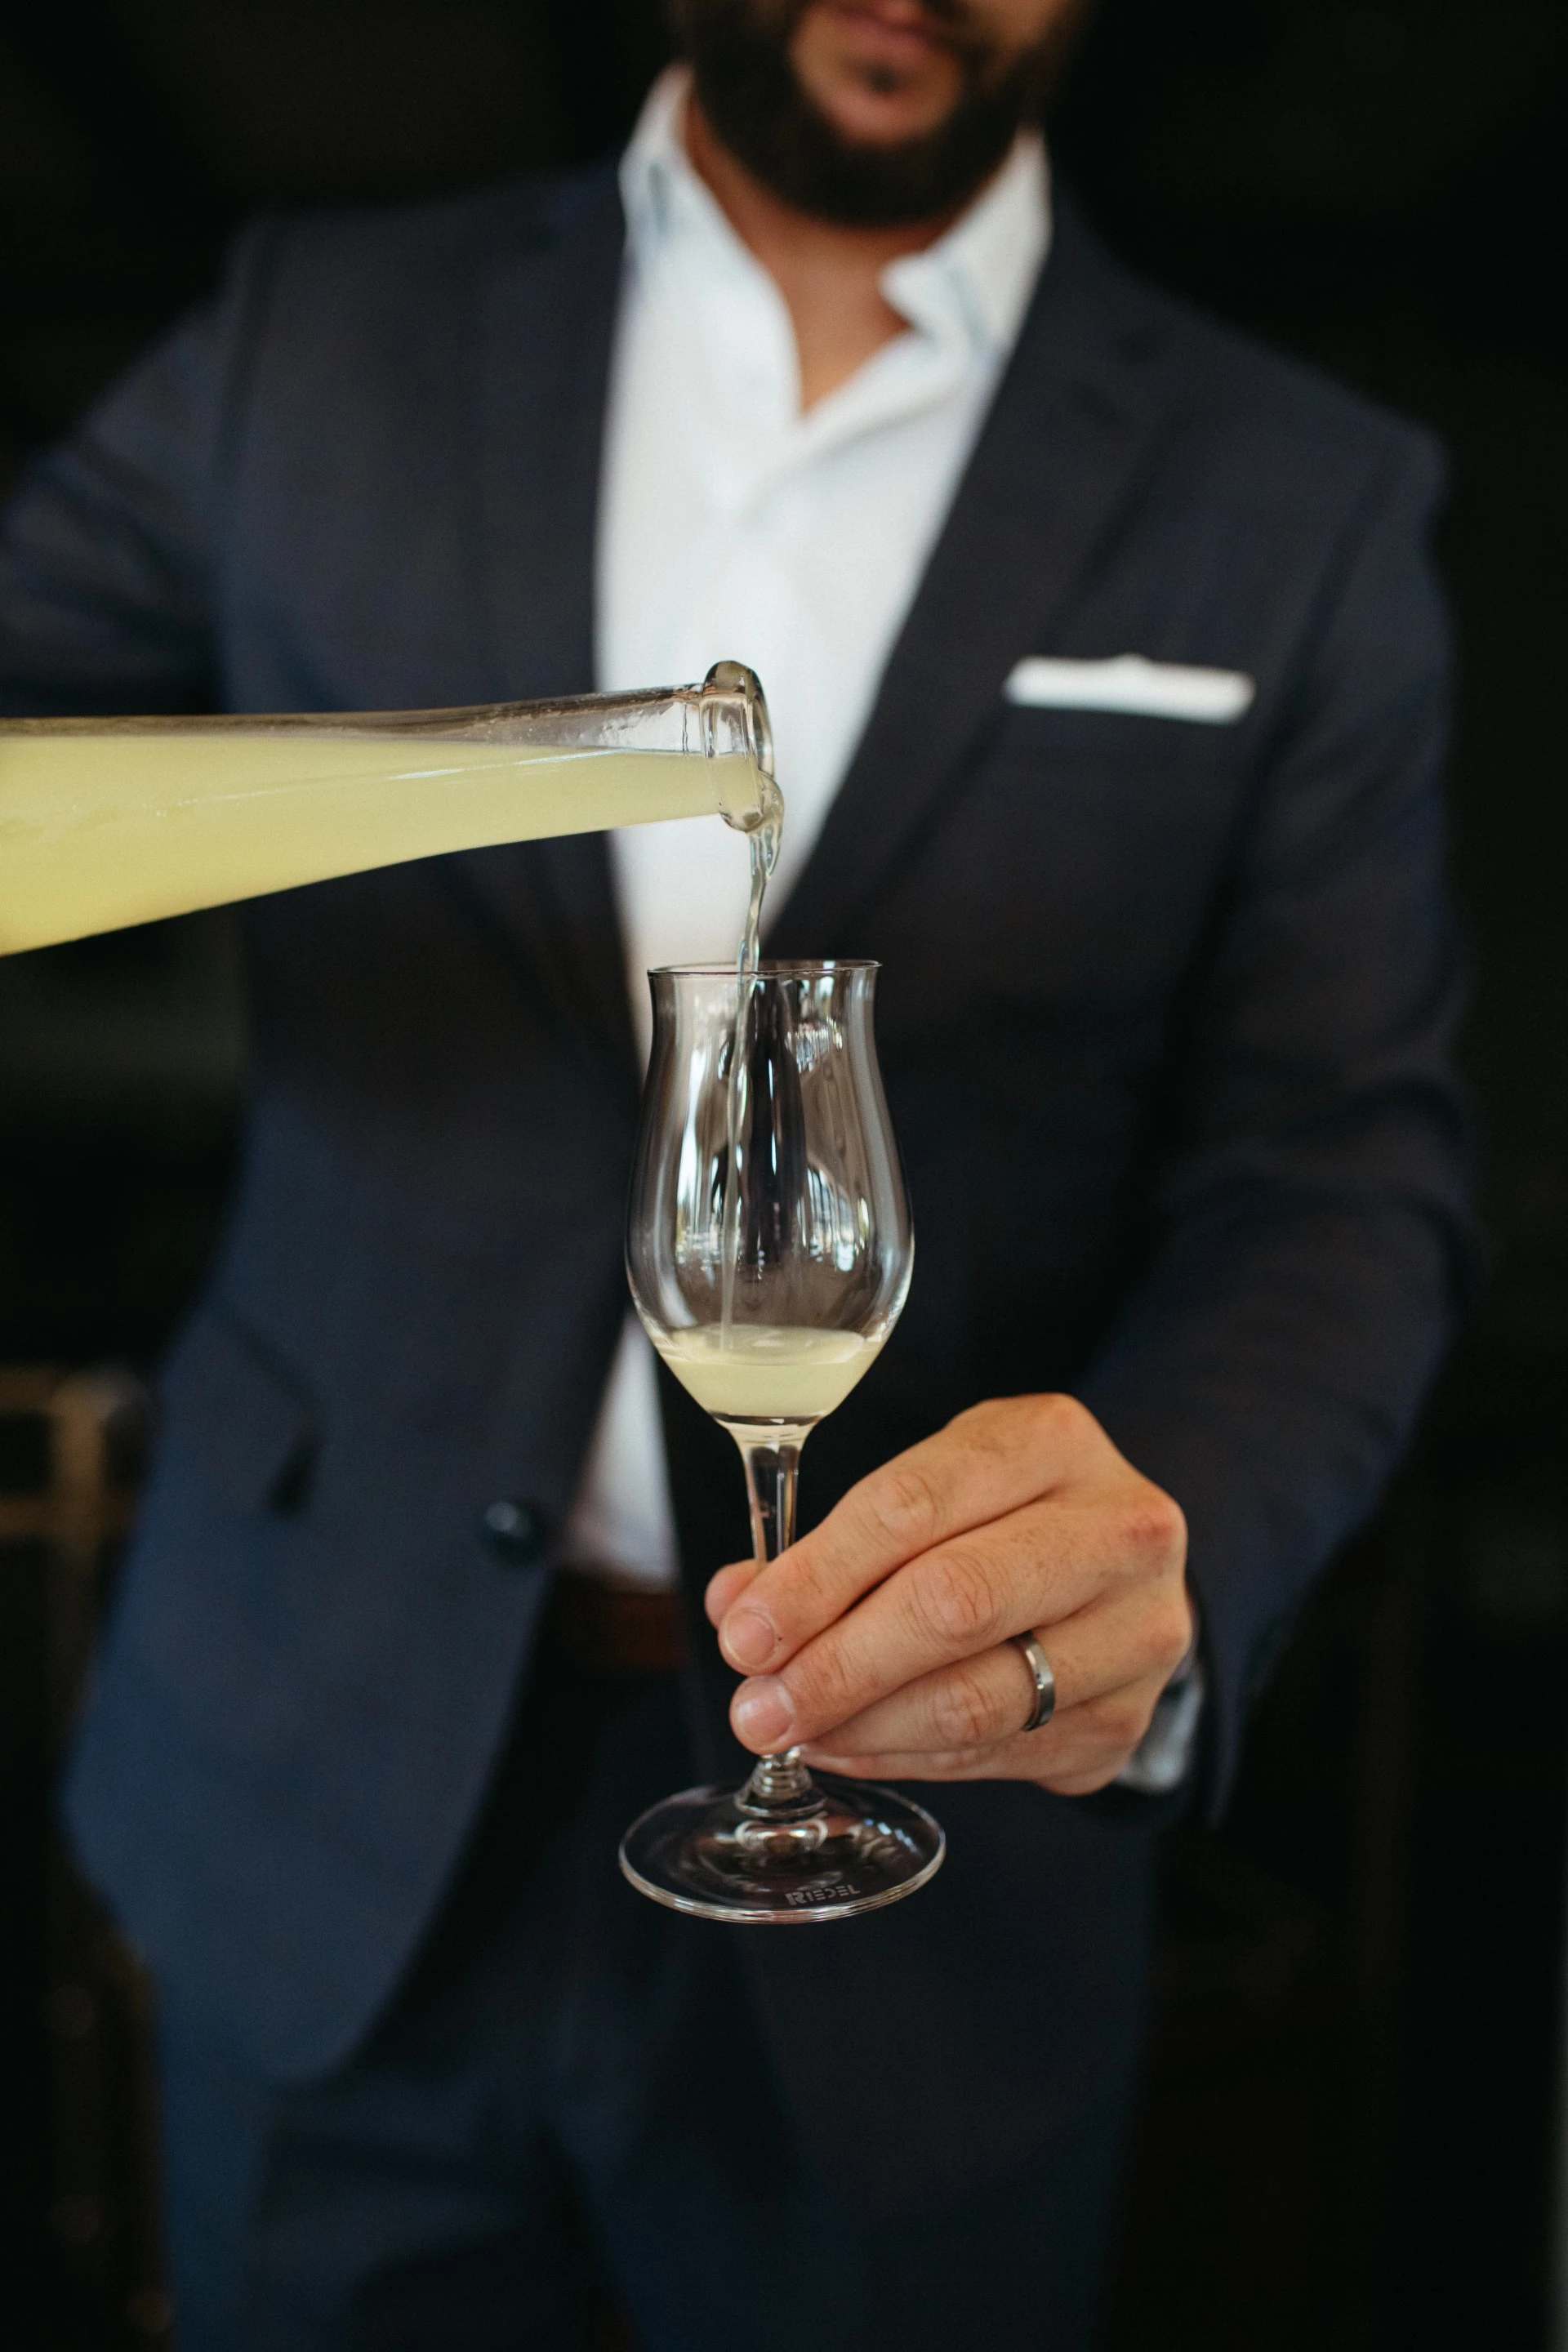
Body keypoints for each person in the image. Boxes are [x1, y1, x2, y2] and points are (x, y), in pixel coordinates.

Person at [1, 0, 1468, 2341]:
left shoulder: (1299, 488)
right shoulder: (325, 337)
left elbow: (1344, 1173)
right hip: (321, 1805)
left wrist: (1165, 1536)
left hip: (937, 1909)